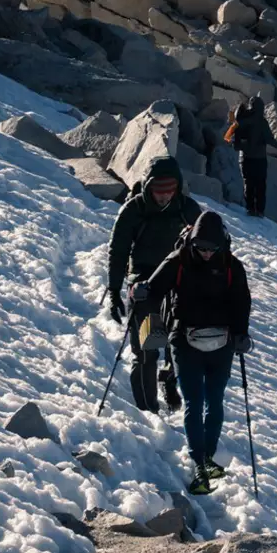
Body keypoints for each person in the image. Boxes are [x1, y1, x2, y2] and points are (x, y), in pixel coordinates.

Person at [141, 210, 251, 494]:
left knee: (214, 401)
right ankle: (199, 462)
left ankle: (207, 456)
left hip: (221, 342)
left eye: (211, 248)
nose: (205, 253)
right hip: (184, 338)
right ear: (191, 241)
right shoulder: (179, 260)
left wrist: (241, 335)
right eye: (200, 247)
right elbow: (155, 289)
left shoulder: (231, 265)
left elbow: (242, 303)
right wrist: (142, 292)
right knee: (195, 400)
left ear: (222, 244)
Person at [108, 157, 200, 413]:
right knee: (147, 350)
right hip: (144, 288)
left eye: (169, 191)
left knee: (178, 346)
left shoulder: (188, 210)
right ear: (148, 187)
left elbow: (207, 247)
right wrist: (114, 290)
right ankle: (147, 411)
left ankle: (168, 381)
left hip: (179, 287)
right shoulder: (134, 210)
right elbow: (118, 250)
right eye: (158, 191)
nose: (163, 197)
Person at [226, 95, 276, 218]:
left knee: (248, 183)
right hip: (260, 159)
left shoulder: (242, 119)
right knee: (260, 185)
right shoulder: (262, 122)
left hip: (245, 158)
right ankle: (259, 211)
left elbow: (229, 137)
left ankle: (250, 209)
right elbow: (270, 139)